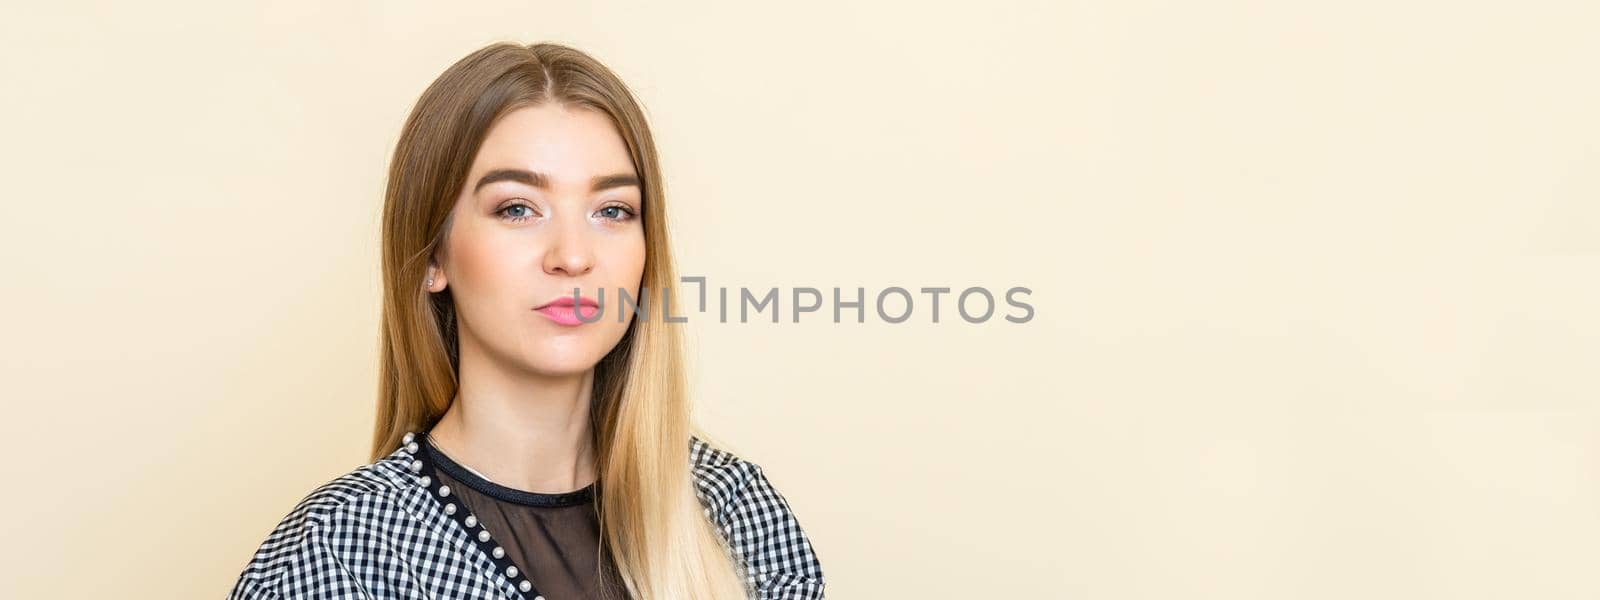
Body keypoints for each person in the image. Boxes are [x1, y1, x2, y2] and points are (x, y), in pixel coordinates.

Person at [227, 41, 826, 600]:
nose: (572, 255)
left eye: (612, 210)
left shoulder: (734, 512)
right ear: (433, 255)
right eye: (518, 208)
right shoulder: (343, 555)